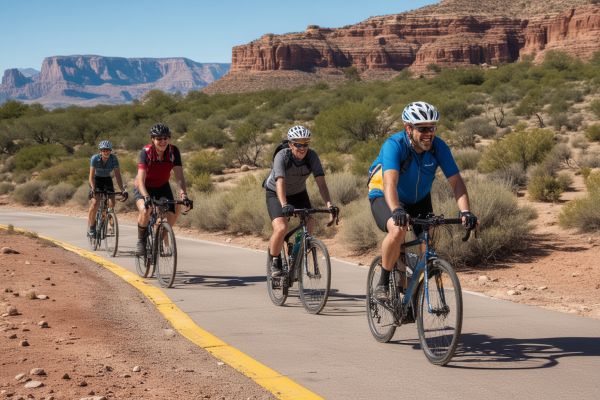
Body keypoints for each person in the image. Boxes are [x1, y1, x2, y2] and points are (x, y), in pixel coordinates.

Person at [367, 101, 477, 300]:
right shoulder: (394, 145)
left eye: (432, 127)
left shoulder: (438, 147)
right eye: (423, 128)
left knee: (430, 236)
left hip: (419, 198)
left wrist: (465, 212)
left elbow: (456, 183)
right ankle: (383, 282)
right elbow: (390, 183)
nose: (429, 133)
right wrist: (397, 210)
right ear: (408, 129)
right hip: (384, 195)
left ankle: (413, 289)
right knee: (398, 229)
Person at [264, 125, 338, 277]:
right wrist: (284, 205)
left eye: (306, 144)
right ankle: (275, 260)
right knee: (281, 228)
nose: (302, 148)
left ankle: (296, 256)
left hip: (298, 192)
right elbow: (280, 181)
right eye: (298, 144)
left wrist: (329, 205)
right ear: (291, 144)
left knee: (309, 223)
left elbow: (321, 183)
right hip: (276, 192)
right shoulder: (282, 156)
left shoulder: (312, 156)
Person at [134, 123, 191, 256]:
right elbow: (141, 180)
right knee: (145, 209)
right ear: (152, 140)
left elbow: (179, 177)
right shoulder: (146, 152)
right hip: (143, 187)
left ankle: (159, 238)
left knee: (176, 207)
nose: (163, 141)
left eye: (165, 138)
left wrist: (183, 194)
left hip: (162, 185)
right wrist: (146, 197)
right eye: (159, 138)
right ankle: (141, 241)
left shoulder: (173, 151)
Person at [87, 140, 127, 237]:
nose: (106, 152)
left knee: (111, 203)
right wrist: (93, 188)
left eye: (108, 150)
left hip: (107, 179)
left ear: (110, 151)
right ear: (100, 151)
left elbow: (117, 176)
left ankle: (107, 220)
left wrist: (122, 189)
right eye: (104, 150)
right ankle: (92, 227)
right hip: (96, 180)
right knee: (95, 202)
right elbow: (91, 177)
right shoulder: (94, 159)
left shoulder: (113, 159)